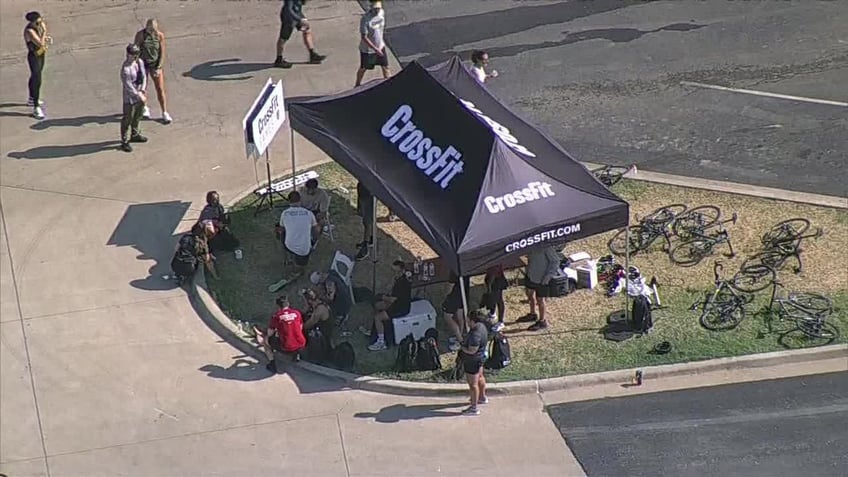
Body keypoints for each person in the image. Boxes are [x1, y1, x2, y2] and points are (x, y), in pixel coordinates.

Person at [360, 260, 411, 351]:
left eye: (397, 271)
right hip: (396, 303)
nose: (394, 273)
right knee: (377, 306)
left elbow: (393, 299)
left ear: (403, 271)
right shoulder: (398, 279)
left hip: (400, 308)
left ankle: (381, 341)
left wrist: (383, 297)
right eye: (393, 271)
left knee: (378, 317)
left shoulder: (402, 283)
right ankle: (374, 330)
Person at [255, 296, 306, 373]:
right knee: (295, 337)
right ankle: (296, 355)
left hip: (287, 347)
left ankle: (272, 365)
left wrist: (275, 332)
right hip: (301, 344)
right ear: (288, 304)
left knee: (266, 341)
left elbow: (270, 333)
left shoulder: (277, 316)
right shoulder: (297, 313)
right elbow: (300, 328)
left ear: (278, 306)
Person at [134, 19, 172, 124]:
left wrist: (159, 67)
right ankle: (145, 107)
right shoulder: (141, 35)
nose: (151, 31)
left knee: (160, 89)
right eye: (149, 29)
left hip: (154, 65)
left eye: (153, 29)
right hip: (143, 65)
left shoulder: (159, 36)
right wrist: (138, 64)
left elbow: (162, 52)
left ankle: (164, 112)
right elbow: (136, 49)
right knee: (143, 88)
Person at [278, 190, 320, 283]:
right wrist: (314, 241)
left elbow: (281, 229)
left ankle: (288, 259)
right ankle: (298, 269)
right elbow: (316, 230)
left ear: (289, 202)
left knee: (281, 230)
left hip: (288, 245)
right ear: (300, 201)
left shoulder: (284, 213)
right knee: (301, 264)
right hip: (304, 249)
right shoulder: (309, 213)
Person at [518, 246, 561, 331]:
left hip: (542, 279)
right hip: (531, 275)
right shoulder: (531, 244)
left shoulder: (547, 247)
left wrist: (547, 277)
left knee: (540, 300)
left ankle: (542, 321)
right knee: (529, 294)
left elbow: (555, 261)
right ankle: (532, 314)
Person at [274, 0, 326, 69]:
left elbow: (299, 5)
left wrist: (301, 17)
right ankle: (279, 60)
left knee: (307, 30)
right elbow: (288, 9)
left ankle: (312, 54)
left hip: (298, 14)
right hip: (289, 18)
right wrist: (299, 19)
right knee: (283, 38)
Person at [119, 44, 148, 153]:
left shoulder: (139, 62)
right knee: (128, 118)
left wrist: (142, 89)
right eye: (133, 55)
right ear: (128, 54)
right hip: (130, 98)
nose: (135, 57)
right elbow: (128, 86)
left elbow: (144, 76)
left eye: (137, 54)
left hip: (140, 93)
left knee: (138, 115)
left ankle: (135, 133)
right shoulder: (126, 69)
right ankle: (124, 140)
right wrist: (138, 95)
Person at [460, 310, 489, 416]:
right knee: (480, 377)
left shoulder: (475, 334)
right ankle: (482, 397)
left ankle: (474, 408)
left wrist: (462, 348)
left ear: (472, 320)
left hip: (472, 361)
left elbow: (472, 350)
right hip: (480, 359)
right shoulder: (482, 327)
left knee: (473, 385)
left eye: (467, 319)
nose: (466, 321)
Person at [355, 0, 390, 87]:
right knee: (363, 68)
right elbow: (364, 37)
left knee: (385, 67)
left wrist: (379, 47)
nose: (377, 10)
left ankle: (389, 84)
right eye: (375, 9)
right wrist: (375, 49)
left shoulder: (382, 13)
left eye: (378, 8)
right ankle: (357, 84)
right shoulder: (365, 19)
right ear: (371, 8)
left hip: (380, 46)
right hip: (368, 50)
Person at [23, 11, 51, 119]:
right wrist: (44, 32)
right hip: (34, 57)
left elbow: (41, 42)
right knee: (37, 78)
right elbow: (40, 43)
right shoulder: (30, 30)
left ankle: (31, 97)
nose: (41, 21)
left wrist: (45, 37)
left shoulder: (36, 27)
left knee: (36, 75)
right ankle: (36, 106)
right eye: (39, 20)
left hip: (40, 54)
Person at [443, 273, 472, 352]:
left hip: (453, 297)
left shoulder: (454, 271)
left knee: (448, 317)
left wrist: (445, 294)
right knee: (460, 316)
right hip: (462, 294)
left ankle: (460, 341)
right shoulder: (465, 267)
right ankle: (459, 336)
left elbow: (449, 287)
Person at [484, 264, 508, 331]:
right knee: (493, 298)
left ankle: (500, 322)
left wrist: (489, 285)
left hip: (497, 280)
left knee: (499, 300)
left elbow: (494, 270)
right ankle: (492, 313)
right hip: (491, 278)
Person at [355, 182, 374, 261]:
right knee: (366, 221)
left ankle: (365, 248)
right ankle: (370, 239)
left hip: (368, 195)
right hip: (363, 193)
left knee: (367, 222)